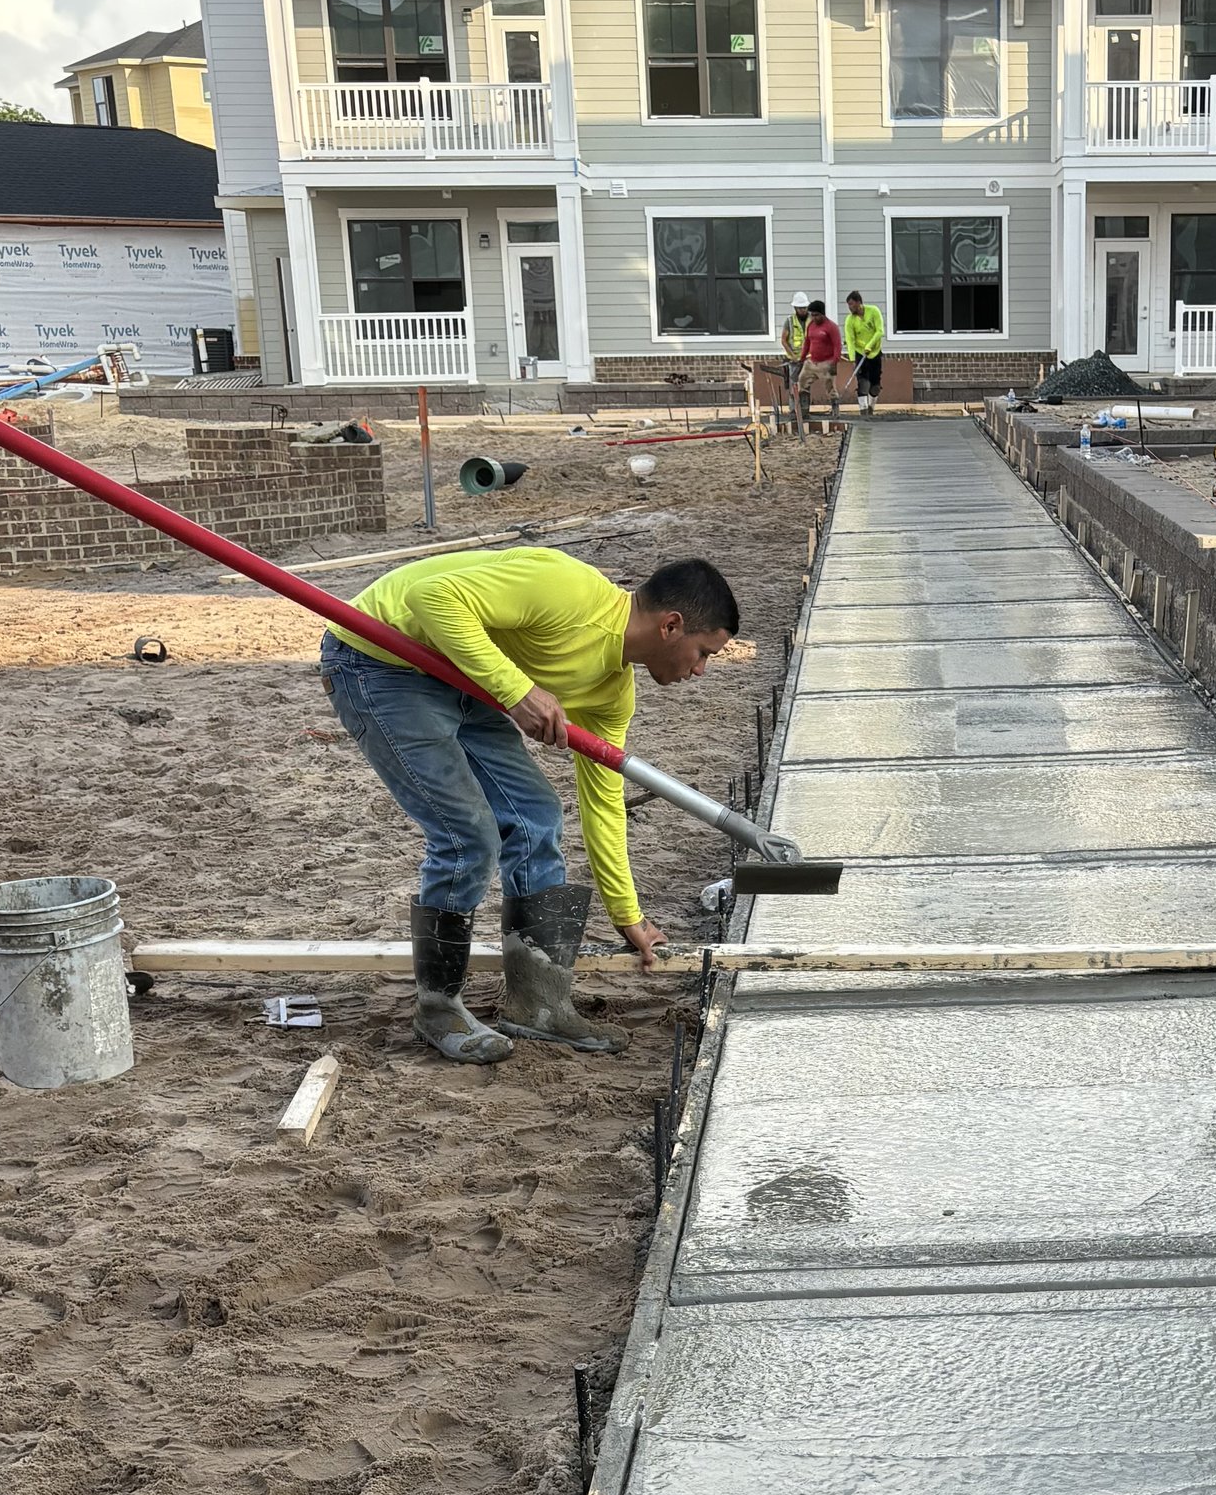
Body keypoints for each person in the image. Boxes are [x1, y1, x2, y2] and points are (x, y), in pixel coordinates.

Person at [320, 545, 740, 1065]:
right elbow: (432, 597)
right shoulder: (568, 589)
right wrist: (517, 690)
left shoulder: (612, 692)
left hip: (465, 675)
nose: (700, 670)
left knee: (536, 815)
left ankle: (538, 1004)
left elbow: (603, 800)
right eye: (706, 653)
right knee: (467, 834)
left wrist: (626, 914)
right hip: (380, 658)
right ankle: (438, 1007)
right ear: (671, 626)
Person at [798, 296, 843, 432]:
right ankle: (804, 411)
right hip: (812, 362)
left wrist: (834, 362)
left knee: (830, 387)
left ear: (822, 314)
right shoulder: (811, 326)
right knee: (802, 383)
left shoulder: (831, 327)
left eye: (816, 315)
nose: (814, 318)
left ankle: (835, 411)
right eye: (812, 315)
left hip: (826, 362)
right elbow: (807, 342)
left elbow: (837, 345)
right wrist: (802, 358)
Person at [840, 287, 886, 414]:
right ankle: (863, 410)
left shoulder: (873, 311)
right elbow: (850, 339)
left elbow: (879, 331)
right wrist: (852, 359)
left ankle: (871, 407)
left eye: (851, 304)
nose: (850, 308)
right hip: (860, 353)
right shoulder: (850, 320)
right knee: (863, 383)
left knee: (875, 385)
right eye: (848, 305)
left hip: (874, 353)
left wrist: (870, 346)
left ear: (859, 303)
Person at [773, 296, 810, 424]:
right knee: (794, 385)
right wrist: (792, 356)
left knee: (805, 385)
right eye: (800, 308)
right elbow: (784, 340)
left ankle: (805, 412)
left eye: (805, 308)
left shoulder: (812, 320)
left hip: (808, 359)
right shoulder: (789, 321)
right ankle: (794, 412)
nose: (803, 311)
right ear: (795, 308)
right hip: (794, 360)